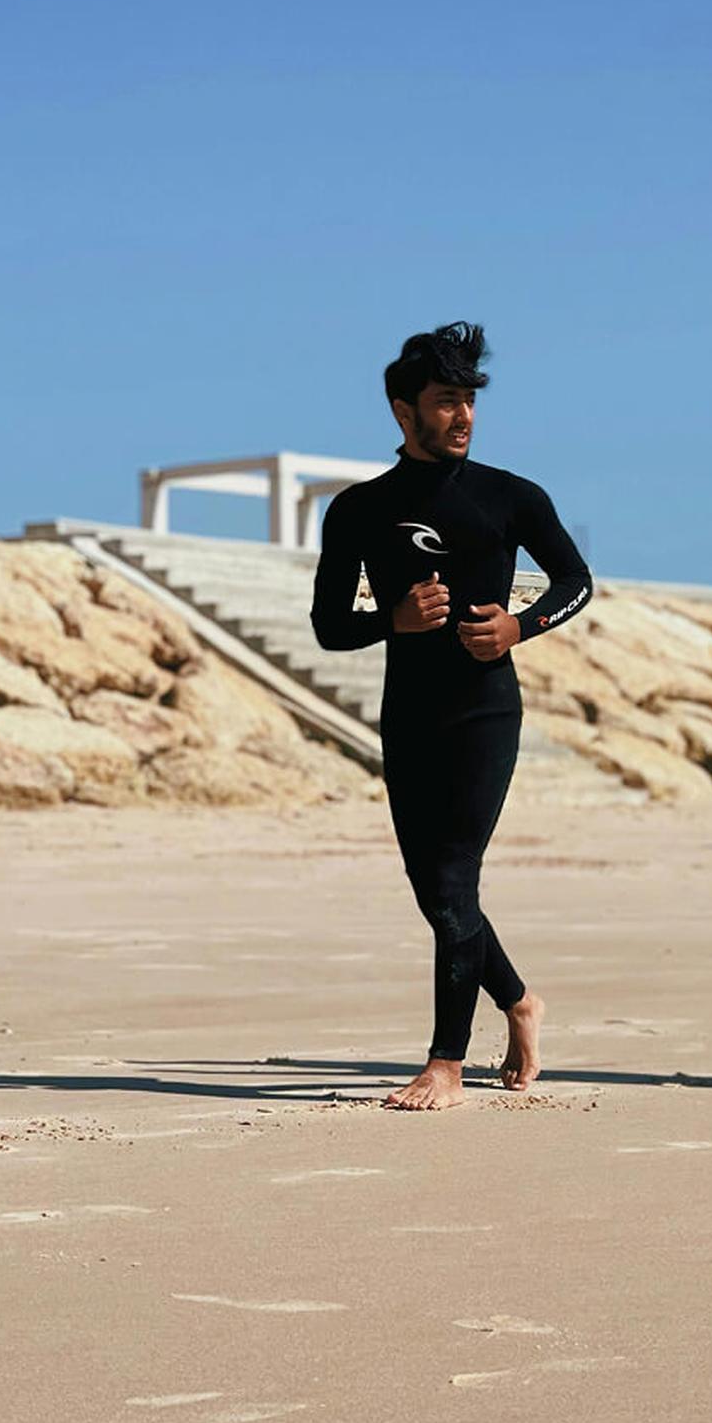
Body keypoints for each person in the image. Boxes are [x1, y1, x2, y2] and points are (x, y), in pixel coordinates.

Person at [311, 321, 591, 1110]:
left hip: (484, 713)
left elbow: (575, 579)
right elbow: (330, 626)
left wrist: (518, 626)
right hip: (409, 716)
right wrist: (391, 620)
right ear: (404, 411)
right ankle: (522, 1001)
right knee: (436, 891)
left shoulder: (510, 496)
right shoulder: (360, 509)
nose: (463, 416)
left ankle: (445, 1061)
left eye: (468, 400)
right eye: (445, 402)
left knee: (453, 877)